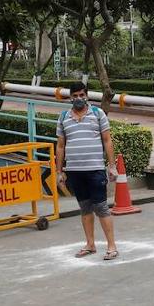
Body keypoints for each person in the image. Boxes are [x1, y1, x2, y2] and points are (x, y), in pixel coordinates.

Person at [56, 82, 119, 258]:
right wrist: (59, 171)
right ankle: (90, 244)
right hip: (75, 171)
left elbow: (107, 140)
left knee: (101, 207)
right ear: (70, 98)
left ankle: (111, 246)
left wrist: (112, 166)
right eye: (75, 96)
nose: (78, 99)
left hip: (95, 169)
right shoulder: (63, 117)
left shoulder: (98, 114)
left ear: (87, 96)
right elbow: (60, 146)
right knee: (85, 208)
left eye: (81, 95)